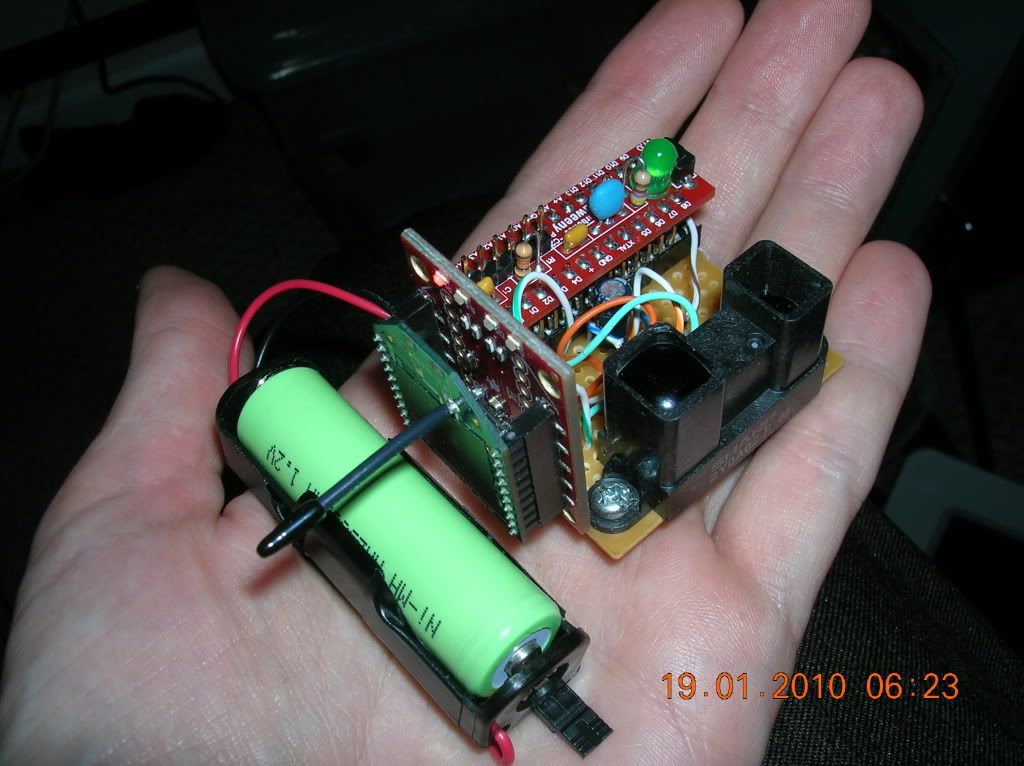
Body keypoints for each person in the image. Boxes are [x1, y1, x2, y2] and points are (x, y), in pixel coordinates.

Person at [0, 0, 931, 762]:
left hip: (629, 418)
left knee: (656, 333)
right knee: (618, 340)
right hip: (556, 501)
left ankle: (706, 355)